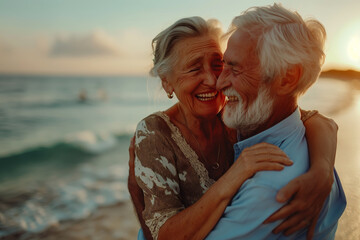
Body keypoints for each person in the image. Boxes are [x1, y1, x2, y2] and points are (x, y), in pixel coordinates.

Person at [128, 15, 339, 240]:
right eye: (194, 69)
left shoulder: (236, 116)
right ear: (166, 81)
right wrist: (234, 175)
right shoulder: (155, 134)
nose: (213, 80)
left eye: (219, 64)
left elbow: (312, 119)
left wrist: (323, 169)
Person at [205, 4, 346, 239]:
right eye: (223, 65)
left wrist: (140, 191)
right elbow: (322, 121)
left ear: (287, 78)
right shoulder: (303, 138)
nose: (219, 83)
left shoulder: (270, 190)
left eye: (235, 69)